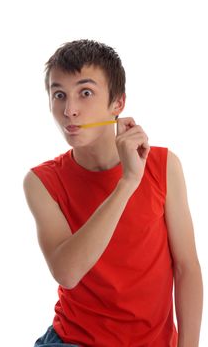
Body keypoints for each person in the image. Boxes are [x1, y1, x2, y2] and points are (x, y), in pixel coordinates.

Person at [23, 39, 203, 347]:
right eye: (59, 95)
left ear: (117, 104)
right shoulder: (41, 181)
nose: (70, 110)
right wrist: (128, 183)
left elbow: (187, 267)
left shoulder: (163, 165)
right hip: (73, 340)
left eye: (86, 93)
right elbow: (67, 273)